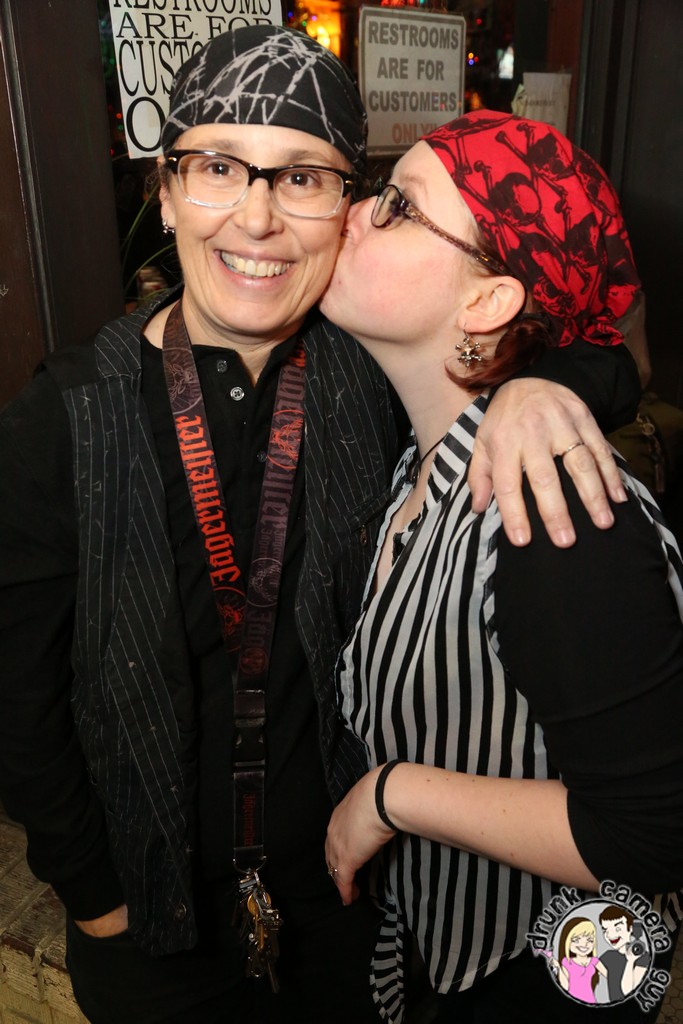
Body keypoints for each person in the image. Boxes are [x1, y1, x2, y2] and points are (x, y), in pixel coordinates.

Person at [0, 30, 638, 1024]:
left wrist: (542, 388)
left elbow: (581, 346)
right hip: (154, 928)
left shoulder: (366, 365)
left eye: (299, 177)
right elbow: (19, 694)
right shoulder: (65, 414)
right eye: (217, 167)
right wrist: (95, 898)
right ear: (164, 195)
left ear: (343, 210)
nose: (255, 217)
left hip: (350, 906)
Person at [323, 110, 683, 1024]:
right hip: (447, 949)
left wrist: (391, 797)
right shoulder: (425, 460)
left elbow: (649, 835)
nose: (352, 214)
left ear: (486, 303)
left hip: (543, 975)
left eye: (396, 204)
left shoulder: (550, 512)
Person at [599, 907, 651, 1001]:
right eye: (605, 930)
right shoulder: (608, 956)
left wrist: (630, 961)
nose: (610, 935)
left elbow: (627, 992)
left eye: (617, 928)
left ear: (630, 929)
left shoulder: (643, 957)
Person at [554, 918, 607, 1004]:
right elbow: (565, 987)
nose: (584, 944)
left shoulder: (594, 961)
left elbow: (610, 976)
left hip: (590, 1001)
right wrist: (558, 968)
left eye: (590, 940)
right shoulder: (567, 962)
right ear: (567, 941)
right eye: (576, 940)